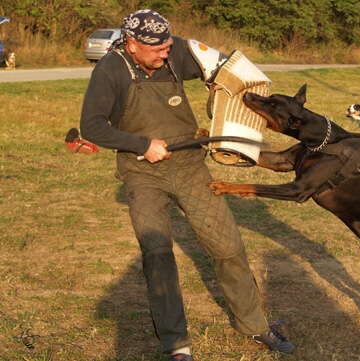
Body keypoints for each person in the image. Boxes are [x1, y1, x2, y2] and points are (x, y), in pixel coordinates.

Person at [79, 9, 294, 361]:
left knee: (227, 245)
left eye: (168, 45)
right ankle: (177, 345)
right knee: (158, 256)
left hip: (190, 165)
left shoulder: (178, 49)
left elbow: (233, 69)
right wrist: (142, 144)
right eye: (157, 49)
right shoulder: (110, 69)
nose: (166, 53)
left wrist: (221, 88)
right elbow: (91, 127)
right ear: (132, 44)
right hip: (141, 173)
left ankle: (254, 325)